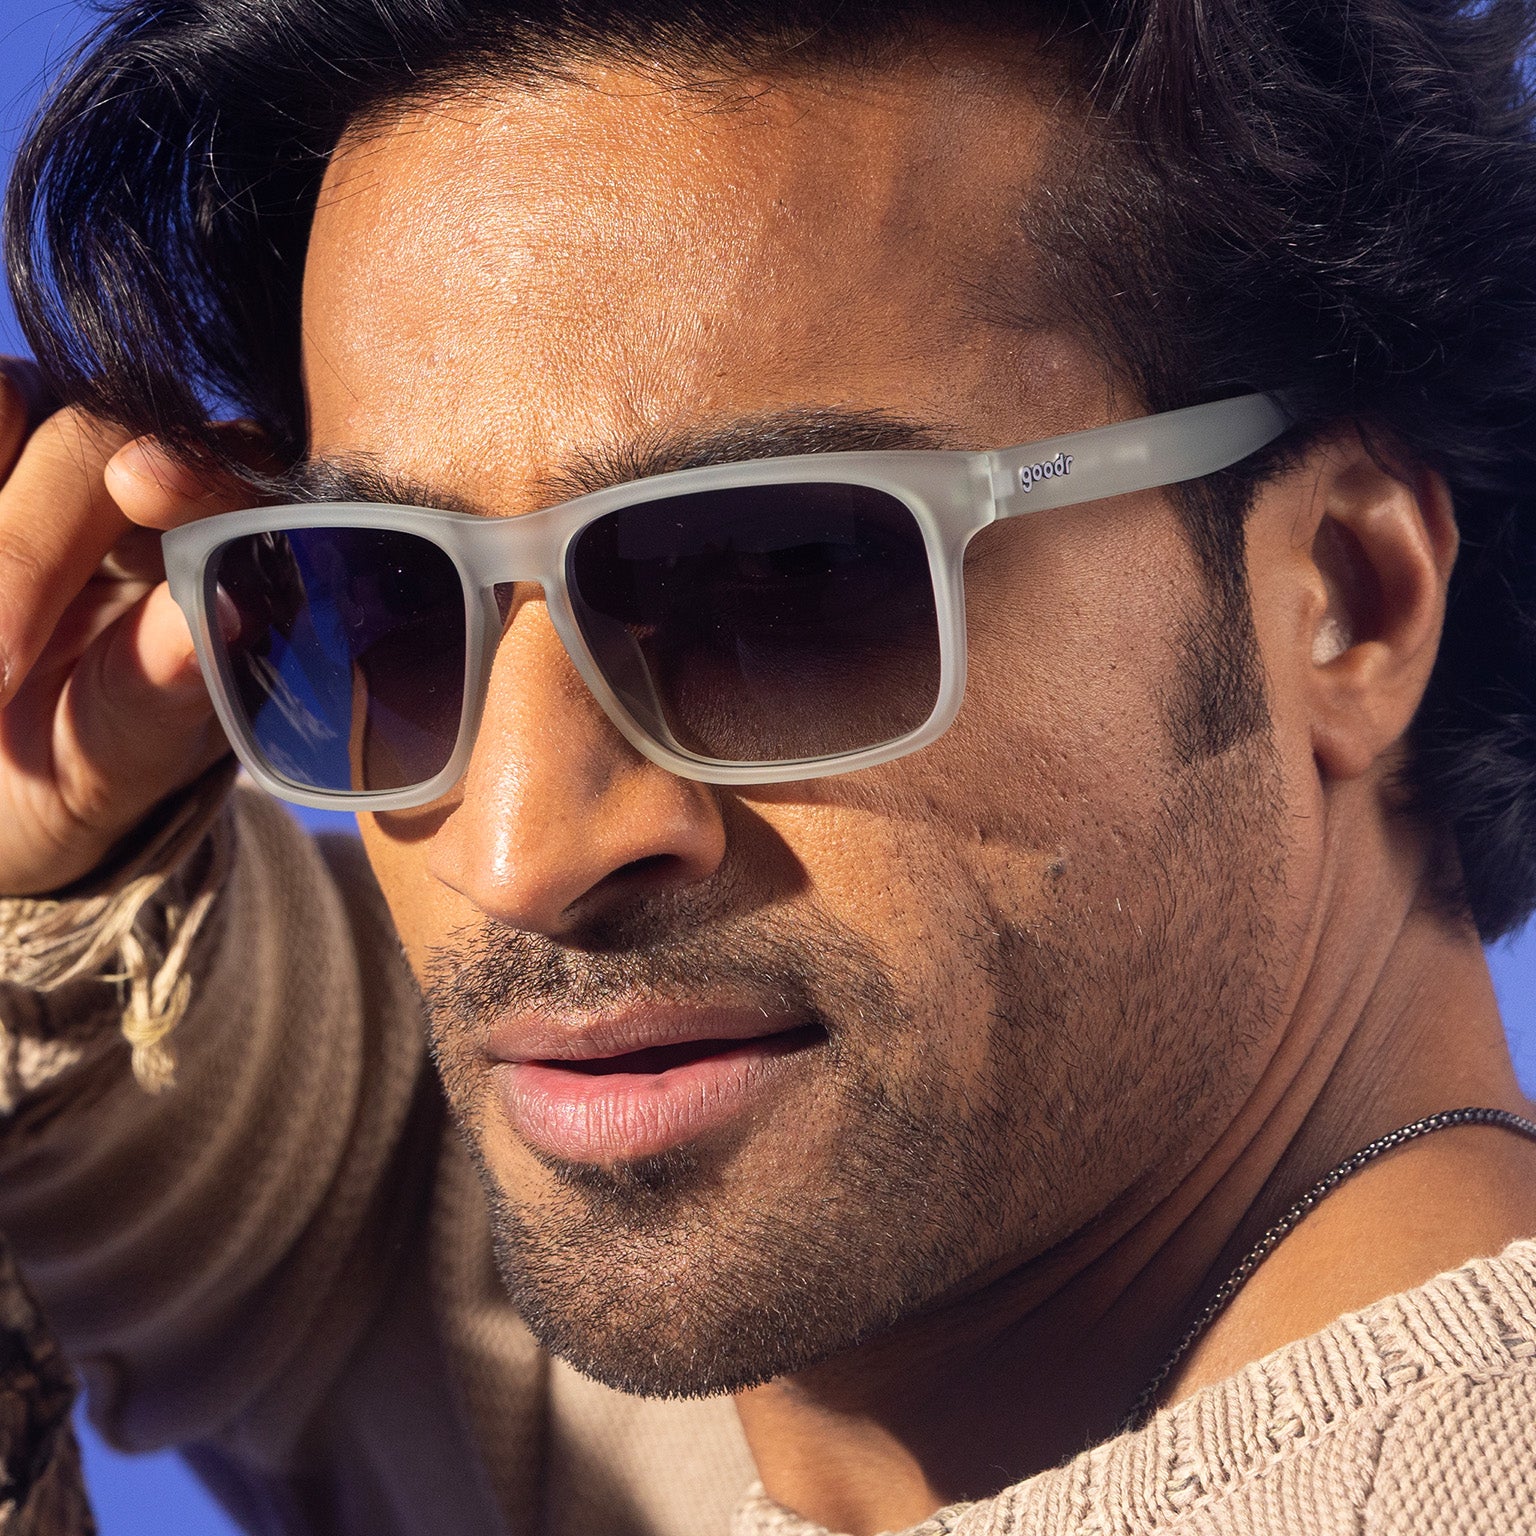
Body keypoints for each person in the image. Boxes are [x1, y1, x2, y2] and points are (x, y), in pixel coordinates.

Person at [1, 0, 1536, 1531]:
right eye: (388, 597)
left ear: (1348, 596)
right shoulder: (741, 1306)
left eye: (784, 573)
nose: (519, 844)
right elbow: (244, 1131)